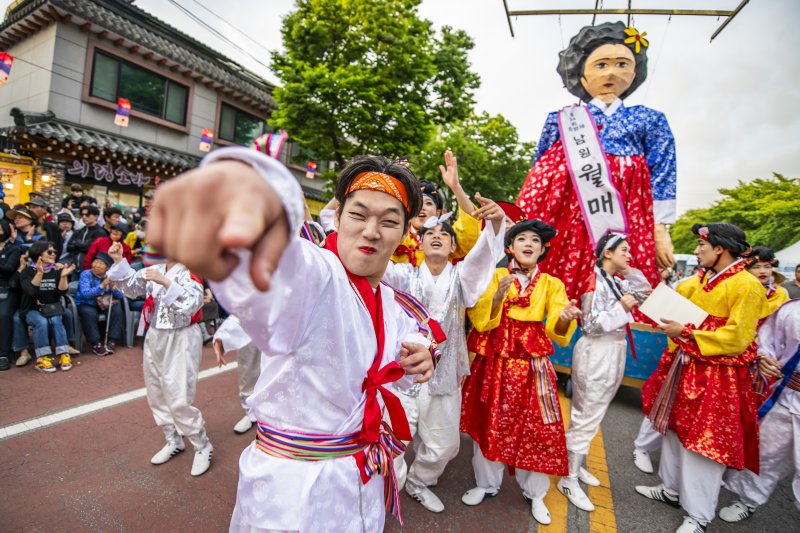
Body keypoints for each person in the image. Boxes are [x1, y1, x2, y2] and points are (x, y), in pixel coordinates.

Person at [145, 147, 436, 532]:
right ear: (337, 218)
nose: (370, 231)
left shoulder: (389, 300)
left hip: (360, 473)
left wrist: (419, 356)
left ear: (404, 232)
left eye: (388, 221)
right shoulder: (316, 273)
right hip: (291, 487)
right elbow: (277, 263)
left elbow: (401, 350)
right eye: (358, 214)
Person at [517, 21, 677, 301]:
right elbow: (537, 176)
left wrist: (660, 228)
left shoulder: (649, 120)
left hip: (629, 218)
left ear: (636, 71)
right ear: (581, 73)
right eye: (601, 65)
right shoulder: (562, 119)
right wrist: (519, 224)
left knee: (626, 282)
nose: (612, 72)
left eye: (622, 64)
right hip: (567, 217)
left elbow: (663, 172)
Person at [382, 182, 506, 513]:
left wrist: (495, 222)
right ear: (419, 242)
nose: (437, 236)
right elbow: (375, 259)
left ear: (452, 246)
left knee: (444, 445)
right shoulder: (401, 274)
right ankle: (385, 486)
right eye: (430, 233)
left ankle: (418, 482)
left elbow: (484, 253)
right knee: (392, 441)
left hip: (445, 374)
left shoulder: (463, 277)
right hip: (402, 374)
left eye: (444, 234)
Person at [635, 223, 767, 533]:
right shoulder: (699, 280)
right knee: (673, 429)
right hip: (685, 363)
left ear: (719, 249)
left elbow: (738, 337)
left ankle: (699, 516)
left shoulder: (747, 285)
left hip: (719, 375)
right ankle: (671, 490)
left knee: (705, 444)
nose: (696, 251)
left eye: (701, 246)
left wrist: (686, 332)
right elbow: (673, 305)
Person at [460, 219, 581, 525]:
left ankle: (535, 492)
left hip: (532, 367)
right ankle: (486, 484)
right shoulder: (496, 275)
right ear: (510, 247)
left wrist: (566, 317)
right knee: (490, 421)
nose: (529, 244)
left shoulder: (552, 284)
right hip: (496, 363)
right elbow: (480, 318)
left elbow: (557, 327)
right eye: (522, 239)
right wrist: (498, 296)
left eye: (535, 241)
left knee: (537, 428)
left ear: (542, 250)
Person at [558, 232, 650, 511]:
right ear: (607, 253)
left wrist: (630, 270)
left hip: (614, 350)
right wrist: (621, 308)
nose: (629, 254)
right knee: (586, 415)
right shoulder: (594, 282)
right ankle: (569, 476)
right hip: (596, 351)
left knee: (594, 413)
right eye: (623, 250)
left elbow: (645, 294)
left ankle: (576, 461)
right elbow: (591, 325)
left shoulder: (619, 281)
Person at [106, 239, 211, 475]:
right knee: (156, 391)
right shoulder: (155, 269)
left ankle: (201, 444)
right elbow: (131, 287)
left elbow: (191, 304)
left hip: (181, 337)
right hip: (154, 335)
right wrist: (117, 260)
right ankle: (173, 439)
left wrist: (165, 282)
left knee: (178, 395)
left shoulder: (190, 273)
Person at [718, 299, 800, 522]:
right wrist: (764, 357)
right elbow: (768, 340)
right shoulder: (791, 309)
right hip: (786, 396)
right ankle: (747, 500)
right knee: (766, 454)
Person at [19, 241, 76, 372]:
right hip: (32, 309)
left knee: (56, 320)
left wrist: (63, 276)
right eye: (49, 252)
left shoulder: (56, 269)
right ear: (39, 255)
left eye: (54, 252)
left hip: (52, 308)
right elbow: (31, 292)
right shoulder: (27, 271)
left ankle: (64, 354)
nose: (53, 254)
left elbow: (62, 292)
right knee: (41, 322)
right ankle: (42, 359)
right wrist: (39, 273)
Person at [75, 252, 125, 356]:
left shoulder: (111, 276)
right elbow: (86, 294)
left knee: (117, 310)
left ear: (107, 267)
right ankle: (96, 343)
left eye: (101, 264)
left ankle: (111, 341)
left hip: (104, 303)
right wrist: (102, 286)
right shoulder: (86, 274)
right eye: (95, 262)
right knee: (89, 313)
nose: (97, 265)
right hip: (87, 303)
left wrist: (113, 288)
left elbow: (121, 296)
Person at [0, 219, 21, 370]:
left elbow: (8, 269)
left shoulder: (13, 249)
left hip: (7, 289)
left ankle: (4, 354)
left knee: (4, 316)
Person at [745, 246, 789, 315]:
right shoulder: (739, 291)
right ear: (747, 270)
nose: (762, 271)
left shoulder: (781, 293)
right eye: (756, 267)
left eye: (767, 267)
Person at [67, 205, 107, 270]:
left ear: (96, 216)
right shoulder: (79, 231)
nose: (84, 217)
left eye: (87, 215)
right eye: (82, 215)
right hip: (74, 267)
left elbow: (92, 249)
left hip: (91, 269)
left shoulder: (100, 232)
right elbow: (69, 247)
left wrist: (77, 244)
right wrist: (83, 245)